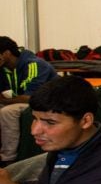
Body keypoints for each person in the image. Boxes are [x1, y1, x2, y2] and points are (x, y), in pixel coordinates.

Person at [0, 36, 58, 165]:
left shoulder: (34, 64)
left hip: (45, 101)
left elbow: (31, 97)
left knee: (7, 112)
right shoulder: (3, 69)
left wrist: (6, 100)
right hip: (18, 100)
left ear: (6, 53)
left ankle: (8, 158)